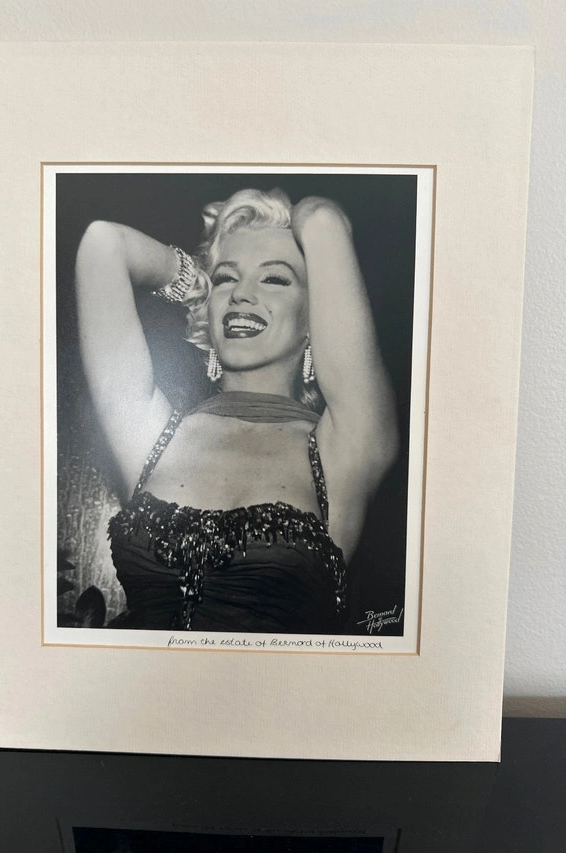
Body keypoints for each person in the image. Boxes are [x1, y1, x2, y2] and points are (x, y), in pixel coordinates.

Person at [74, 187, 397, 633]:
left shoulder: (346, 446)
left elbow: (322, 220)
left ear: (315, 319)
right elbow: (103, 242)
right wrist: (198, 285)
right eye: (228, 278)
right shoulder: (152, 433)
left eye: (274, 279)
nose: (241, 295)